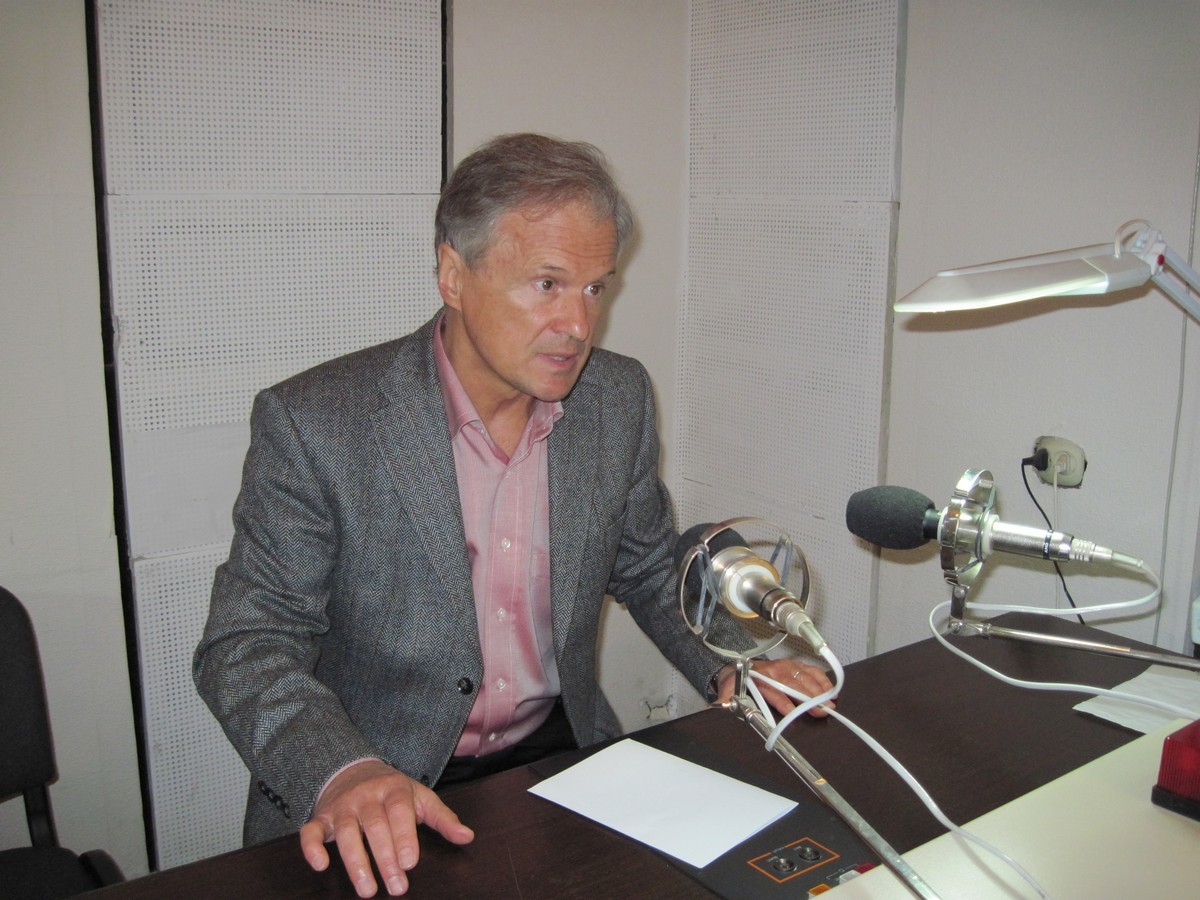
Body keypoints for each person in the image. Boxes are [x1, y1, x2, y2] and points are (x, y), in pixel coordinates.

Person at [194, 133, 835, 898]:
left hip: (559, 762)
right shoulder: (318, 423)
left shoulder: (616, 398)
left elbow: (645, 565)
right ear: (453, 274)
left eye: (595, 288)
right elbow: (247, 643)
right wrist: (343, 771)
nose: (578, 324)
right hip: (384, 786)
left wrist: (731, 665)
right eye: (547, 284)